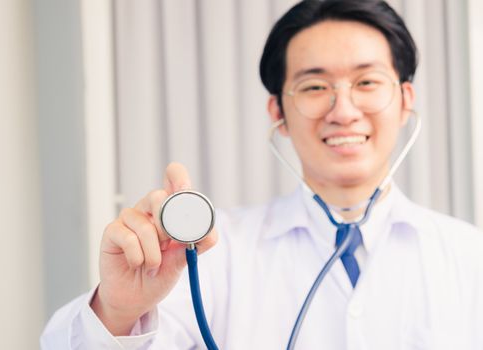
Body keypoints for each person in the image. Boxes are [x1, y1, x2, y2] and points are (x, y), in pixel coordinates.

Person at [41, 0, 483, 349]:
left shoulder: (470, 258)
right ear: (279, 113)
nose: (343, 111)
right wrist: (117, 310)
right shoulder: (206, 258)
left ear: (405, 100)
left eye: (366, 83)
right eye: (314, 87)